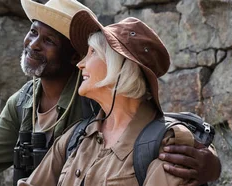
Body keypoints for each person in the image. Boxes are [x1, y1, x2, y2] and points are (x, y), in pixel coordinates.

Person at [0, 0, 221, 185]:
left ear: (71, 55)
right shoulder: (40, 113)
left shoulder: (95, 102)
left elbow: (153, 131)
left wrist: (210, 163)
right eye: (33, 32)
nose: (33, 44)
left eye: (49, 40)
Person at [18, 10, 214, 186]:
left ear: (119, 67)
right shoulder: (75, 137)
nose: (80, 64)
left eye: (92, 53)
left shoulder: (167, 144)